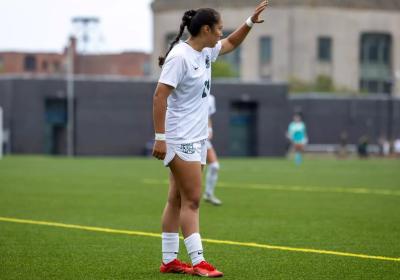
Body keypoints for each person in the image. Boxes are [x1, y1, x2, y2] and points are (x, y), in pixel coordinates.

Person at [152, 1, 269, 277]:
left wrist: (250, 22)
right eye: (218, 28)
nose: (221, 32)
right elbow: (159, 96)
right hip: (181, 137)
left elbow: (229, 44)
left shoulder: (205, 51)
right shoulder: (180, 57)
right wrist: (160, 138)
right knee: (192, 200)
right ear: (205, 29)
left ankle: (169, 260)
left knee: (176, 199)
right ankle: (199, 261)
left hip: (197, 137)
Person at [203, 94, 222, 206]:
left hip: (203, 136)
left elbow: (207, 116)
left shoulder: (211, 98)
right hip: (189, 135)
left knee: (214, 166)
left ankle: (208, 194)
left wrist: (210, 129)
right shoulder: (190, 91)